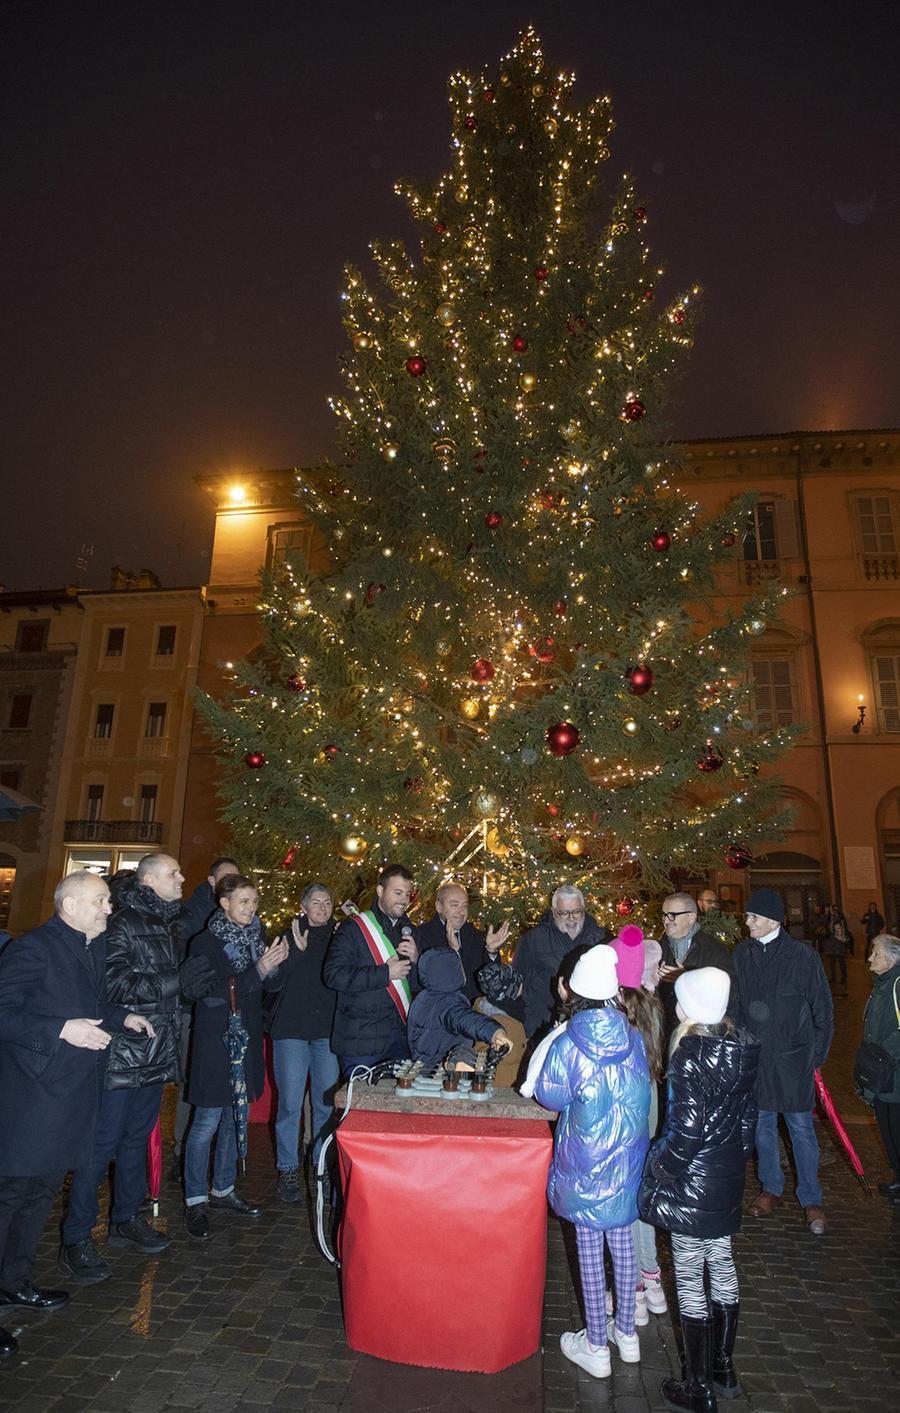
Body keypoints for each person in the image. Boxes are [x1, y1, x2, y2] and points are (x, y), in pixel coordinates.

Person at [0, 873, 154, 1349]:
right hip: (32, 1099)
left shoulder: (90, 946)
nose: (108, 909)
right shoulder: (33, 948)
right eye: (100, 901)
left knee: (40, 1196)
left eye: (107, 901)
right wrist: (61, 1029)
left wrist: (119, 1016)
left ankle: (15, 1282)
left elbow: (87, 1002)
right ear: (68, 904)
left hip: (68, 1098)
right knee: (9, 1200)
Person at [60, 853, 203, 1280]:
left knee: (136, 1139)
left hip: (155, 1048)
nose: (182, 877)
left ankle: (126, 1217)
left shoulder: (169, 923)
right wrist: (178, 981)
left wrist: (188, 988)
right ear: (148, 880)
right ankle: (76, 1238)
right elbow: (115, 984)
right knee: (100, 1144)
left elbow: (166, 988)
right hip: (121, 1049)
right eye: (173, 873)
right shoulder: (121, 922)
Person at [639, 968, 760, 1412]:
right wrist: (733, 1159)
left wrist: (659, 1167)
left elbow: (685, 1131)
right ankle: (724, 1368)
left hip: (693, 1180)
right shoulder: (741, 1049)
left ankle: (697, 1385)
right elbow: (750, 1117)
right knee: (722, 1263)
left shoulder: (691, 1054)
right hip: (725, 1176)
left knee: (690, 1272)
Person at [533, 944, 650, 1380]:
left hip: (585, 1160)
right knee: (621, 1244)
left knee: (588, 1248)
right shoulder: (632, 1035)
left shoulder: (570, 1042)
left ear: (573, 992)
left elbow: (550, 1095)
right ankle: (627, 1335)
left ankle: (596, 1345)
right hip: (626, 1159)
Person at [181, 875, 288, 1239]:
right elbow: (209, 994)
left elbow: (266, 988)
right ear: (223, 903)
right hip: (215, 1043)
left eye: (254, 901)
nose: (251, 908)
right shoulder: (205, 941)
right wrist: (259, 969)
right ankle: (195, 1201)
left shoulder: (255, 936)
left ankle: (223, 1190)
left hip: (246, 1039)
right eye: (244, 901)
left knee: (234, 1117)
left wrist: (274, 967)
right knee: (206, 1122)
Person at [731, 887, 833, 1236]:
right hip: (757, 1059)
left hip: (794, 1062)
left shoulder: (803, 957)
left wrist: (815, 1057)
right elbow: (735, 1005)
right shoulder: (742, 954)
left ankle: (811, 1196)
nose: (747, 922)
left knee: (801, 1129)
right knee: (762, 1126)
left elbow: (823, 1011)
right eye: (748, 916)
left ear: (773, 920)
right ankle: (770, 1187)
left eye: (753, 917)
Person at [609, 925, 668, 1327]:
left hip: (626, 1116)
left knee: (625, 1203)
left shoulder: (619, 1012)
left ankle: (632, 1292)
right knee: (641, 1197)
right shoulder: (651, 1005)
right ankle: (652, 1281)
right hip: (648, 1111)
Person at [268, 883, 340, 1203]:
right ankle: (287, 1168)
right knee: (290, 1103)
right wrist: (295, 952)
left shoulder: (341, 937)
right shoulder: (288, 934)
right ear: (303, 905)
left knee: (325, 1104)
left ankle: (321, 1165)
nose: (321, 908)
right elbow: (272, 982)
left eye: (326, 902)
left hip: (327, 1032)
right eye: (315, 902)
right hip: (291, 1031)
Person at [170, 857, 241, 1176]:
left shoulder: (241, 914)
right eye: (225, 879)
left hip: (229, 1014)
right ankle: (181, 1148)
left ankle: (219, 1167)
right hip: (193, 1011)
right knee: (192, 1081)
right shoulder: (194, 912)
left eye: (235, 879)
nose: (231, 883)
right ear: (212, 882)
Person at [323, 863, 419, 1072]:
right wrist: (385, 973)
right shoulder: (354, 928)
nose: (404, 899)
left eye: (407, 893)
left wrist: (417, 960)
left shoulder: (410, 931)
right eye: (397, 892)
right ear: (380, 891)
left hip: (401, 1041)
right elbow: (333, 975)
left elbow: (421, 986)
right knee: (360, 1104)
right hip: (361, 1043)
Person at [514, 884, 608, 1040]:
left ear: (584, 909)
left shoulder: (600, 938)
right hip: (541, 1028)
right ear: (553, 912)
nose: (571, 919)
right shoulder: (533, 940)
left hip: (588, 1030)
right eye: (564, 913)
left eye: (577, 912)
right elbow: (518, 983)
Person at [407, 946, 510, 1072]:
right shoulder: (448, 1002)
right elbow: (464, 1019)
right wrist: (494, 1032)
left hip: (423, 1071)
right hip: (443, 1078)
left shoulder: (424, 997)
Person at [856, 934, 900, 1204]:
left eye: (876, 953)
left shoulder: (897, 985)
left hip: (894, 1074)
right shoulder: (881, 985)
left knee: (896, 1126)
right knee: (887, 1128)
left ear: (892, 959)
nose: (870, 958)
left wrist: (882, 1056)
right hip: (884, 1077)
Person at [417, 882, 510, 1001]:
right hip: (444, 1010)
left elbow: (491, 981)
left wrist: (491, 951)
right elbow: (431, 982)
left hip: (476, 1010)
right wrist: (453, 953)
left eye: (465, 905)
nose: (461, 912)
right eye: (454, 905)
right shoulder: (423, 935)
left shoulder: (476, 936)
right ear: (439, 907)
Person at [657, 893, 734, 1033]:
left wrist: (685, 978)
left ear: (691, 917)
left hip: (700, 1032)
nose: (666, 921)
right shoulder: (657, 949)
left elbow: (727, 993)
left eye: (672, 915)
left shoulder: (714, 950)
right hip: (665, 1032)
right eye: (664, 915)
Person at [822, 908, 850, 990]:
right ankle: (833, 976)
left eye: (834, 912)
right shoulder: (828, 920)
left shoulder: (839, 921)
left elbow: (842, 932)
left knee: (841, 961)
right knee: (832, 962)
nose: (833, 914)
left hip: (838, 943)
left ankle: (843, 977)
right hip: (831, 943)